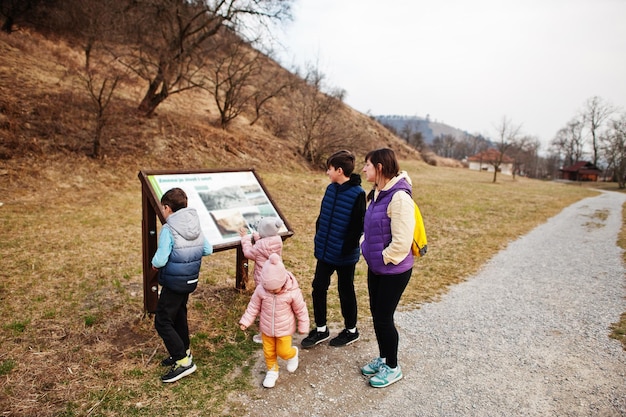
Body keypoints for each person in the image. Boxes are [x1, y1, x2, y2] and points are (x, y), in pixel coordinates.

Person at [359, 148, 415, 388]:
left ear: (379, 167)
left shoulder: (399, 198)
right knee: (377, 315)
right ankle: (383, 358)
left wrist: (382, 258)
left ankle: (393, 367)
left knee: (384, 318)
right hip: (377, 268)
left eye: (367, 165)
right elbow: (370, 228)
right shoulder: (377, 192)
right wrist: (364, 245)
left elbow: (402, 242)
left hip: (393, 270)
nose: (363, 169)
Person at [301, 150, 366, 349]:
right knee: (318, 287)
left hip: (345, 255)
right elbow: (322, 217)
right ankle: (321, 329)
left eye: (329, 169)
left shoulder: (358, 194)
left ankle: (351, 330)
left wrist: (346, 249)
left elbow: (358, 226)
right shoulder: (330, 189)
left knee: (345, 291)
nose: (327, 172)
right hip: (325, 251)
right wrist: (319, 238)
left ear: (339, 170)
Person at [151, 187, 213, 383]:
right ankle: (184, 350)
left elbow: (160, 260)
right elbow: (207, 249)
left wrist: (153, 265)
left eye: (163, 208)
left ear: (168, 208)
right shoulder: (195, 225)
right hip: (190, 280)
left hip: (173, 282)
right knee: (179, 314)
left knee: (162, 321)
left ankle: (183, 361)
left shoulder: (169, 229)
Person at [239, 253, 310, 388]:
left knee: (283, 352)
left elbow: (301, 309)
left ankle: (293, 353)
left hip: (284, 329)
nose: (271, 291)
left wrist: (303, 325)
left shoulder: (292, 292)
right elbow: (253, 306)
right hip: (266, 328)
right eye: (268, 288)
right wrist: (246, 321)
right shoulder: (261, 290)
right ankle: (272, 371)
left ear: (282, 281)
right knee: (269, 352)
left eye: (274, 288)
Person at [238, 216, 284, 343]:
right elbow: (265, 243)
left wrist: (245, 238)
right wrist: (257, 236)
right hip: (277, 278)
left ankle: (265, 335)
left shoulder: (258, 248)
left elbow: (248, 252)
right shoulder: (277, 240)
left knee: (264, 306)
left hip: (263, 280)